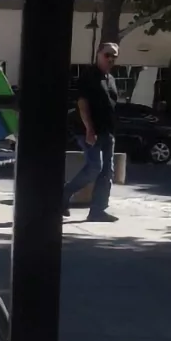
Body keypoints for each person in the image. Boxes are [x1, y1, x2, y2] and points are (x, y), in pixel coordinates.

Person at [63, 42, 120, 222]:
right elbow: (82, 104)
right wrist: (89, 129)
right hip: (89, 130)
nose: (110, 59)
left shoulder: (111, 79)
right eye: (107, 55)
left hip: (107, 131)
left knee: (107, 171)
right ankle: (63, 194)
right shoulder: (89, 76)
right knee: (95, 166)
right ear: (98, 54)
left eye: (114, 56)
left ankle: (98, 210)